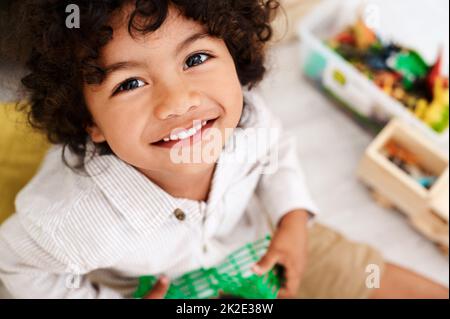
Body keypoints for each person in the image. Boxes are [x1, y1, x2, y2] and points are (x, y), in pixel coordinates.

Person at [0, 0, 447, 299]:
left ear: (234, 54)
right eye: (130, 83)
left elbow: (278, 155)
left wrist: (292, 219)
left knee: (360, 274)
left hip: (260, 240)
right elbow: (17, 265)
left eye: (195, 59)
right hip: (156, 288)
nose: (178, 101)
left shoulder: (250, 120)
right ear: (89, 121)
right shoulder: (70, 221)